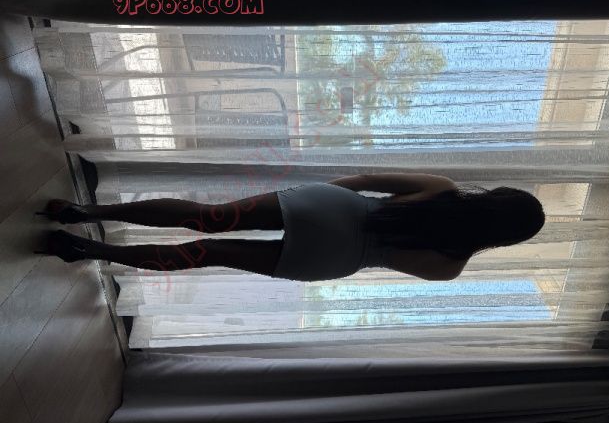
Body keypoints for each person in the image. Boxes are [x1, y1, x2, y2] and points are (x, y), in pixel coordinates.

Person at [34, 173, 545, 282]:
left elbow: (364, 180)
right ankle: (87, 252)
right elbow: (392, 259)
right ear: (501, 238)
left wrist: (315, 197)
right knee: (209, 253)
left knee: (206, 217)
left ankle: (85, 213)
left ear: (494, 195)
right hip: (333, 259)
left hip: (335, 209)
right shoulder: (449, 268)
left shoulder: (441, 189)